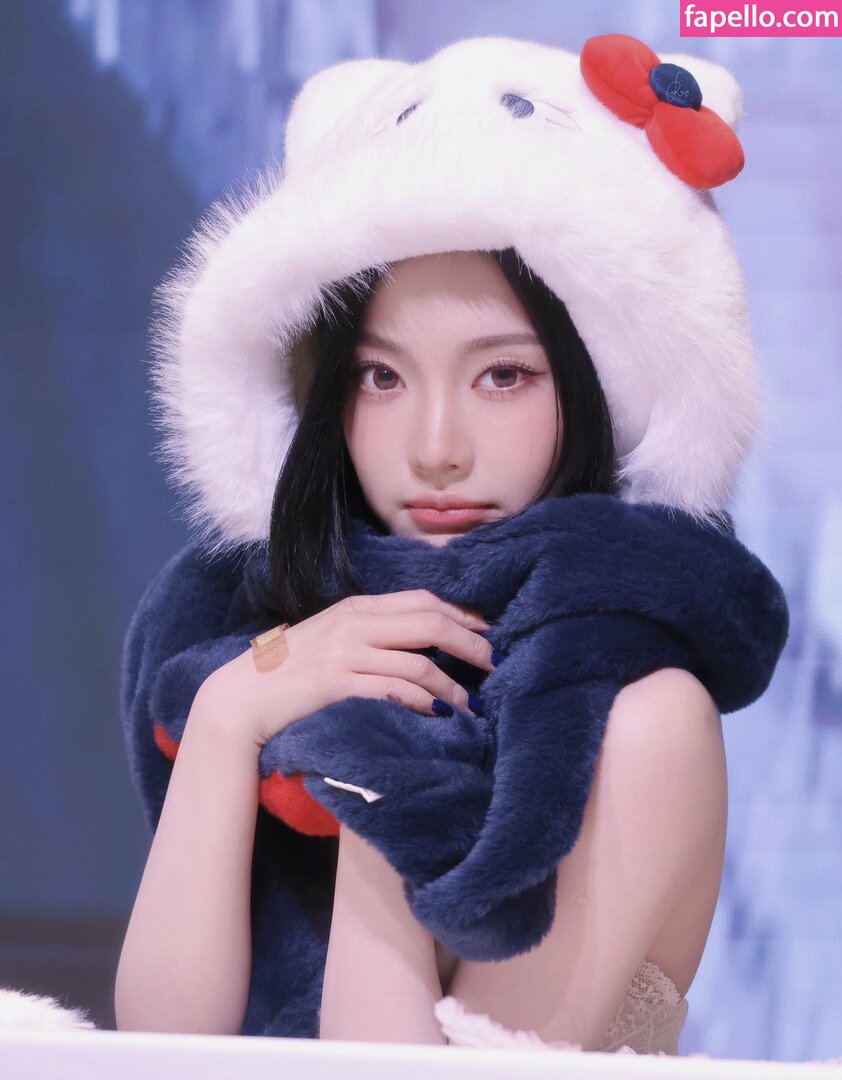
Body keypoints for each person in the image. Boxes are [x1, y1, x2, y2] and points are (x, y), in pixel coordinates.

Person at [114, 33, 778, 1053]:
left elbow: (402, 1073)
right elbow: (159, 1046)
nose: (434, 448)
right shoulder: (266, 641)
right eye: (381, 377)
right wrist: (232, 713)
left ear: (606, 387)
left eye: (503, 375)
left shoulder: (640, 720)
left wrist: (379, 754)